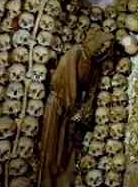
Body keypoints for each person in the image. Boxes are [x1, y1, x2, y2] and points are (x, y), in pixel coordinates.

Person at [40, 28, 114, 187]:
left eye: (107, 49)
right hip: (59, 104)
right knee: (51, 145)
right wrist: (72, 106)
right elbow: (67, 79)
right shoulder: (77, 52)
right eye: (102, 44)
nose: (103, 49)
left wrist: (84, 111)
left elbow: (92, 91)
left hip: (70, 109)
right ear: (96, 40)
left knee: (63, 148)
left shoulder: (94, 65)